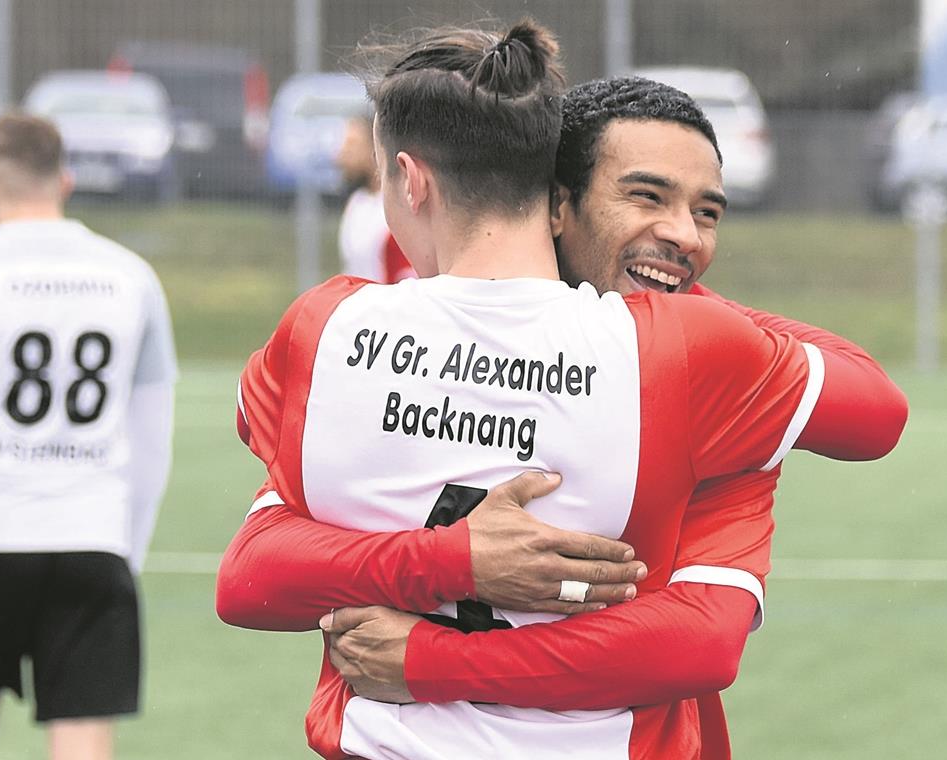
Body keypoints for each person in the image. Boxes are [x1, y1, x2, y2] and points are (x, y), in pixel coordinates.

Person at [220, 20, 906, 759]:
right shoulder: (696, 363)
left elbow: (251, 575)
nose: (684, 235)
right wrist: (456, 559)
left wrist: (430, 649)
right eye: (646, 196)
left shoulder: (329, 325)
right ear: (555, 200)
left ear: (411, 180)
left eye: (707, 211)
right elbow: (872, 414)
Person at [0, 113, 178, 760]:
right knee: (82, 750)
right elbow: (155, 435)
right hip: (91, 541)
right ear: (65, 180)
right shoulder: (132, 277)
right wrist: (125, 552)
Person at [336, 112, 415, 283]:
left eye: (351, 145)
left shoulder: (401, 207)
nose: (341, 156)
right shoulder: (357, 202)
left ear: (375, 150)